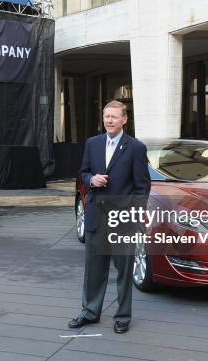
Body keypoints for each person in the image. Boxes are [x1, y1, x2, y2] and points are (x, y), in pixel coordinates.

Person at [68, 100, 151, 334]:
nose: (109, 121)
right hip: (96, 215)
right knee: (94, 269)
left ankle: (123, 316)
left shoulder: (135, 147)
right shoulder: (92, 144)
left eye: (114, 117)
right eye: (106, 117)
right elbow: (83, 172)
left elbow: (142, 187)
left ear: (124, 119)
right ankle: (90, 312)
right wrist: (91, 180)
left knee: (124, 271)